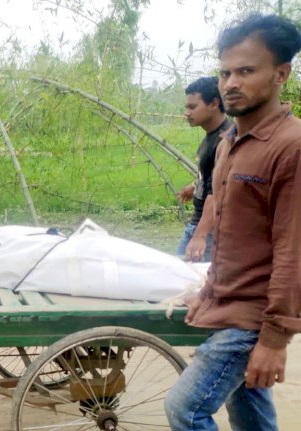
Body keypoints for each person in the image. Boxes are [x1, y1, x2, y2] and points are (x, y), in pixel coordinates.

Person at [165, 14, 301, 431]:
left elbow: (292, 250)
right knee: (251, 414)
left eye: (246, 71)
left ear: (281, 74)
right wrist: (207, 293)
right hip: (229, 306)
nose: (230, 83)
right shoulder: (229, 143)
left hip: (253, 318)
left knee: (185, 410)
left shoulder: (291, 147)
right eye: (225, 72)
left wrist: (274, 340)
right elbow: (230, 236)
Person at [175, 76, 232, 262]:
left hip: (209, 230)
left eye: (192, 107)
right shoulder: (211, 136)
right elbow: (211, 176)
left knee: (190, 282)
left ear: (214, 103)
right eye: (186, 107)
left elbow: (217, 193)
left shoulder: (225, 141)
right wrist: (194, 186)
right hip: (199, 224)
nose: (187, 113)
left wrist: (199, 236)